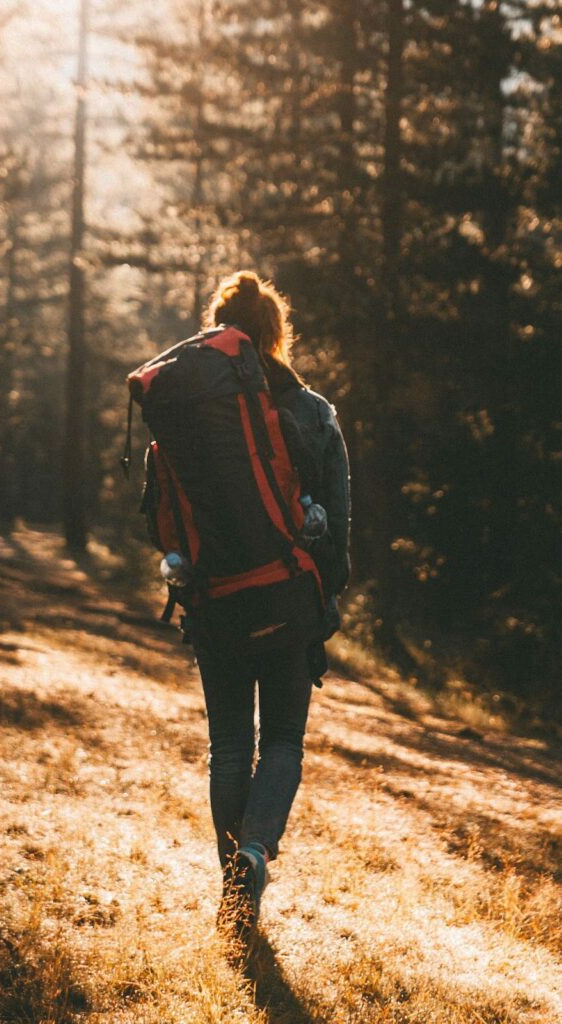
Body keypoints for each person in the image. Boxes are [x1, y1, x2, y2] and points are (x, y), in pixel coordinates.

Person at [186, 270, 351, 936]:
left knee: (229, 746)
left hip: (216, 602)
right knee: (281, 741)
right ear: (275, 332)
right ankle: (255, 852)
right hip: (289, 601)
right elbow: (339, 523)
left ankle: (233, 887)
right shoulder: (312, 412)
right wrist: (327, 600)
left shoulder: (192, 409)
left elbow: (161, 510)